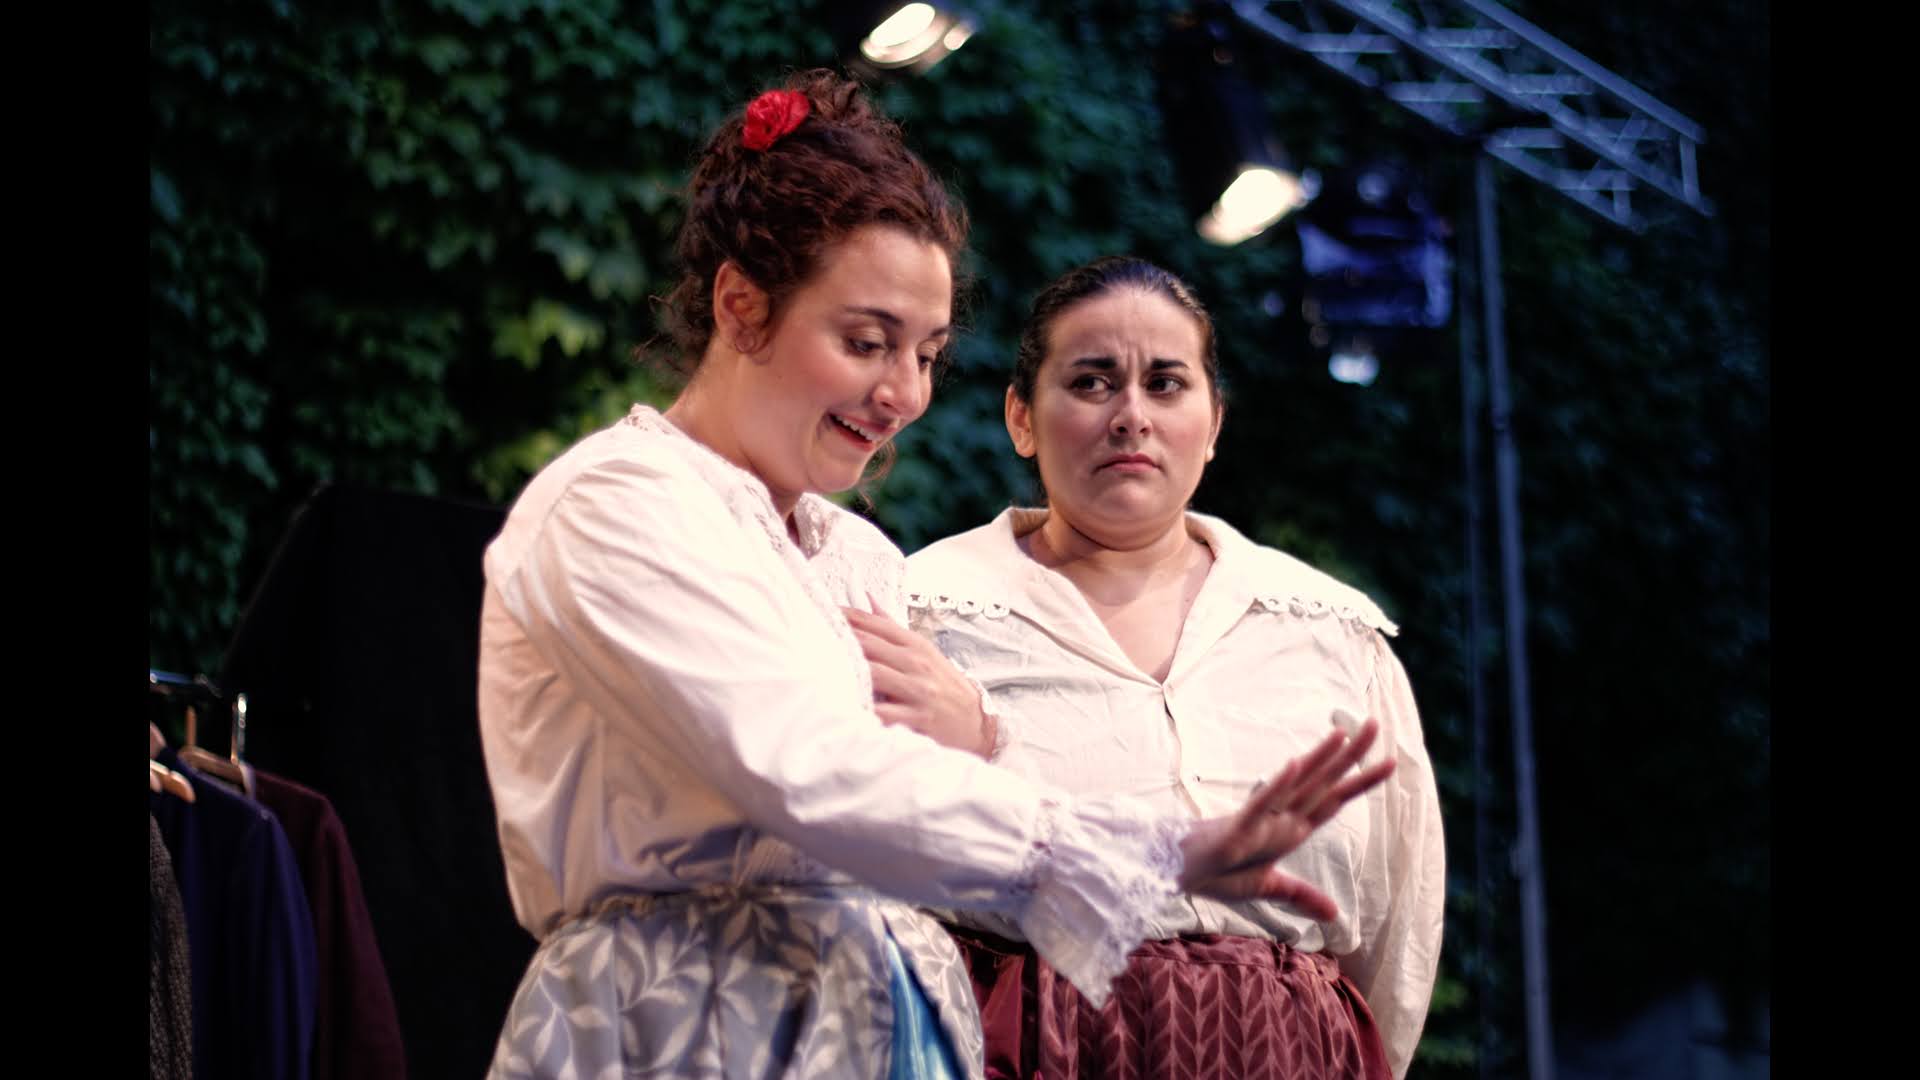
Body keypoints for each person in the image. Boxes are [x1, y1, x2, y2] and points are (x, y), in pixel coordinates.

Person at [476, 72, 1393, 1080]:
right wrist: (1156, 846)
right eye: (867, 343)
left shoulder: (857, 556)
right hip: (687, 1024)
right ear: (742, 307)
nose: (904, 393)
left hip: (881, 1024)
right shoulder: (618, 504)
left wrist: (985, 746)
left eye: (928, 354)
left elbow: (923, 833)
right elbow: (807, 771)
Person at [872, 256, 1445, 1078]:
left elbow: (1399, 929)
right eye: (1092, 382)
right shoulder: (921, 613)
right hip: (1027, 1050)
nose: (1131, 416)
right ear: (1022, 418)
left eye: (1166, 384)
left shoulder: (1331, 635)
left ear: (1213, 424)